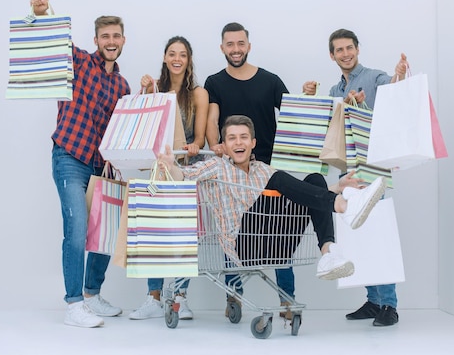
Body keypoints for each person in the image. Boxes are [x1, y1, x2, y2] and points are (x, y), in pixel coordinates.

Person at [157, 115, 387, 285]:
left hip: (277, 243)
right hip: (244, 245)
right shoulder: (216, 166)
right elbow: (184, 177)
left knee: (315, 179)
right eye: (232, 138)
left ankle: (328, 253)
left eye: (244, 137)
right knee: (277, 180)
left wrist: (338, 186)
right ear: (224, 146)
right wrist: (171, 166)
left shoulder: (262, 170)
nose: (239, 143)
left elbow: (303, 192)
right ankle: (344, 206)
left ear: (253, 143)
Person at [29, 0, 130, 328]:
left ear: (123, 40)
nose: (111, 41)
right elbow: (56, 41)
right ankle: (73, 305)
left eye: (116, 36)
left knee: (104, 230)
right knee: (77, 229)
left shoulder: (122, 84)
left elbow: (124, 128)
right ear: (96, 40)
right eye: (105, 36)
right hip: (70, 157)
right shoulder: (80, 63)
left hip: (101, 165)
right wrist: (42, 13)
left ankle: (91, 295)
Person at [303, 28, 409, 327]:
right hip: (348, 170)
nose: (345, 53)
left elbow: (394, 90)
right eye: (339, 50)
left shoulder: (374, 77)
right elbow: (327, 129)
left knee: (377, 232)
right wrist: (311, 98)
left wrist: (399, 73)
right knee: (357, 234)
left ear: (357, 49)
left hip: (374, 166)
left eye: (349, 48)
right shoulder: (335, 91)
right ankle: (373, 300)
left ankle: (389, 304)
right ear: (332, 55)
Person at [203, 22, 295, 318]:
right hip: (232, 173)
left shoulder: (270, 81)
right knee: (233, 231)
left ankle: (287, 300)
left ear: (249, 45)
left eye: (240, 43)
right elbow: (212, 118)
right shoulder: (214, 82)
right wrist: (216, 145)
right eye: (230, 44)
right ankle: (234, 296)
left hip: (268, 173)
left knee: (280, 234)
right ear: (222, 48)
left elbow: (293, 114)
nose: (236, 49)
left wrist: (308, 95)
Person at [129, 36, 209, 322]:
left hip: (185, 170)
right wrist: (145, 90)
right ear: (165, 57)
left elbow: (199, 138)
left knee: (184, 236)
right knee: (153, 234)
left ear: (189, 60)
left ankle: (179, 297)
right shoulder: (157, 89)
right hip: (158, 170)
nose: (177, 59)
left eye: (183, 55)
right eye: (172, 54)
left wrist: (194, 145)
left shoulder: (198, 93)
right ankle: (153, 297)